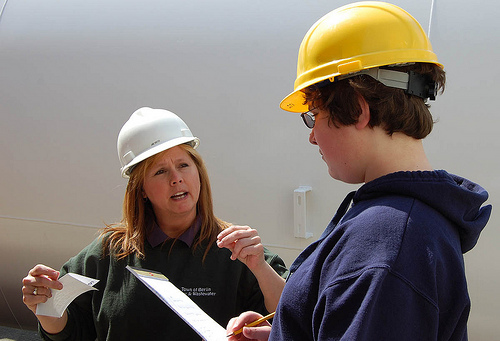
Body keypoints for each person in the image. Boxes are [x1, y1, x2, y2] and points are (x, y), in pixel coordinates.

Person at [226, 2, 492, 340]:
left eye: (314, 115)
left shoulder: (386, 243)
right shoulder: (411, 222)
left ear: (356, 109)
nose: (311, 135)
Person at [22, 107, 287, 340]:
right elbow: (71, 331)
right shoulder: (107, 254)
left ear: (198, 172)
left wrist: (261, 268)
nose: (176, 178)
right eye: (160, 171)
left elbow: (294, 317)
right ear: (142, 189)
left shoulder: (236, 250)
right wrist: (44, 306)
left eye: (183, 165)